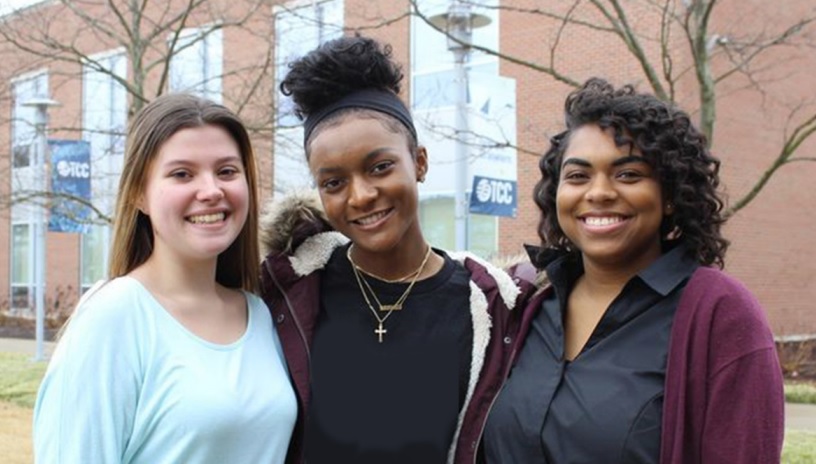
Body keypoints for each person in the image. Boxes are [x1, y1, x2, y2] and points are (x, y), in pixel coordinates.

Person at [482, 78, 785, 463]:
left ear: (670, 195)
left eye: (628, 175)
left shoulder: (721, 315)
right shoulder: (524, 300)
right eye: (578, 176)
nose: (599, 192)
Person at [260, 35, 530, 464]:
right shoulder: (285, 291)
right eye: (334, 182)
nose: (361, 195)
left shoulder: (493, 305)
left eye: (380, 167)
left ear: (419, 162)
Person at [34, 94, 297, 463]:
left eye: (226, 171)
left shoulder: (263, 313)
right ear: (139, 194)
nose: (211, 191)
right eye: (182, 174)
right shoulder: (115, 315)